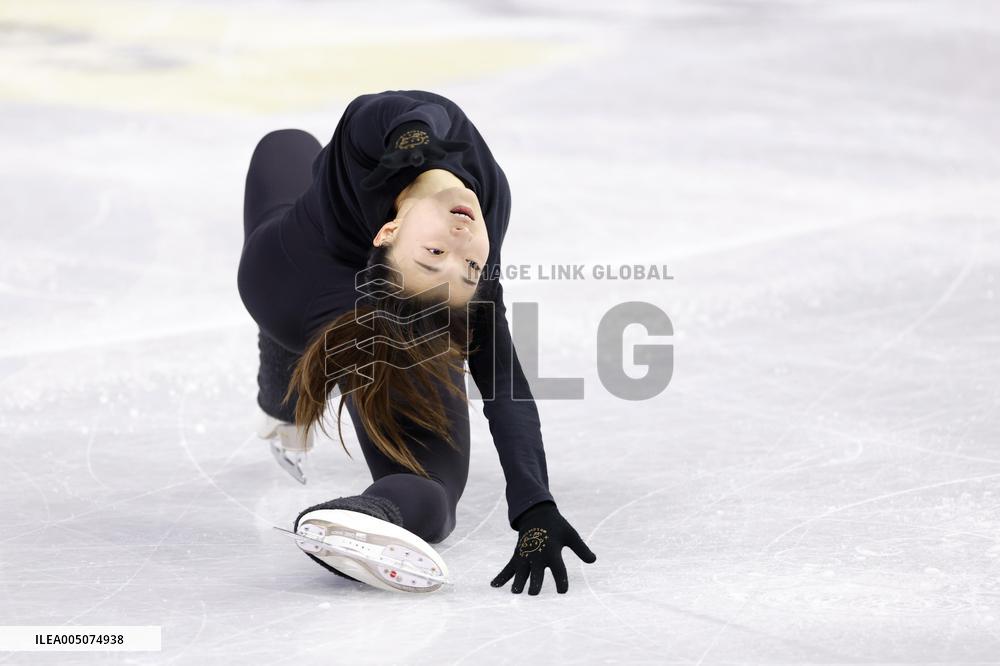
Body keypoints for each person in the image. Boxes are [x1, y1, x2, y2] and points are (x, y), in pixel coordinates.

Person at [237, 90, 596, 594]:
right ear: (386, 230)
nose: (463, 245)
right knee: (434, 481)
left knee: (286, 142)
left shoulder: (380, 159)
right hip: (284, 281)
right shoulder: (458, 219)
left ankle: (367, 510)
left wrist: (535, 506)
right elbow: (402, 116)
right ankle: (281, 379)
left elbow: (503, 381)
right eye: (444, 258)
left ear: (389, 231)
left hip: (321, 291)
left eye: (456, 263)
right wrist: (417, 142)